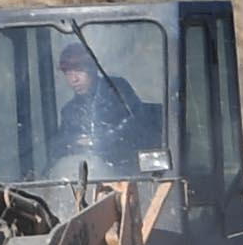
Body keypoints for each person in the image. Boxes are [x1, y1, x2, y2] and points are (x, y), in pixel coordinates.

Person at [47, 31, 167, 173]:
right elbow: (59, 147)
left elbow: (137, 127)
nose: (74, 79)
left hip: (129, 174)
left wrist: (100, 139)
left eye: (79, 70)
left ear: (92, 68)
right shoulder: (69, 111)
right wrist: (73, 143)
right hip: (92, 176)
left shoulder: (117, 89)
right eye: (68, 73)